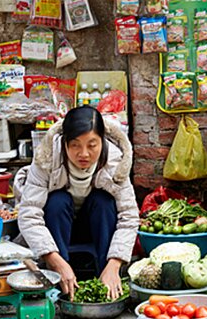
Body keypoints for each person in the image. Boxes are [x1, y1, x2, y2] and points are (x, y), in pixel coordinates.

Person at [13, 106, 139, 300]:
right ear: (64, 143)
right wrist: (56, 261)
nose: (84, 154)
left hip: (95, 225)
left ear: (102, 141)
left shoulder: (114, 161)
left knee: (104, 201)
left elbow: (129, 216)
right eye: (75, 145)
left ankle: (106, 279)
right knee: (57, 201)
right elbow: (29, 214)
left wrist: (115, 264)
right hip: (57, 230)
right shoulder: (47, 157)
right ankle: (59, 282)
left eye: (92, 145)